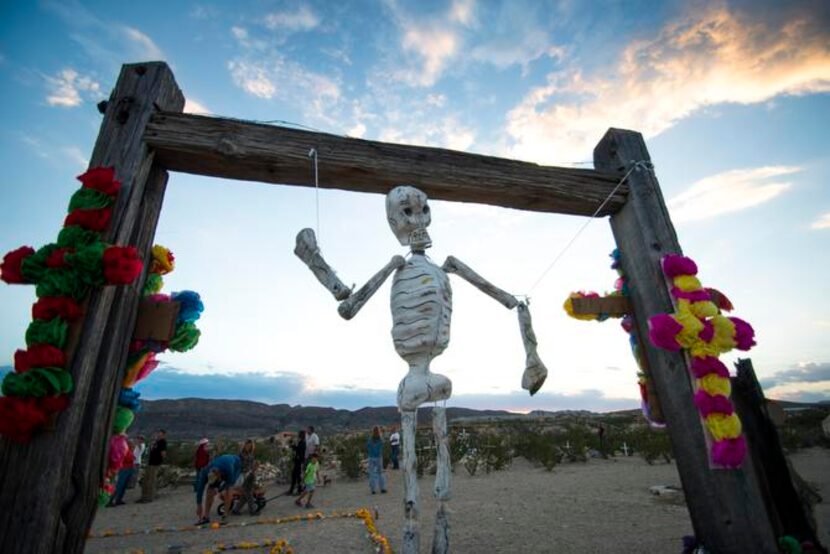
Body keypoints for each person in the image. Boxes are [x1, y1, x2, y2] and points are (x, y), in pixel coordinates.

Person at [195, 454, 243, 525]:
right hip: (220, 466)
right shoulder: (205, 471)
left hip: (236, 466)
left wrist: (226, 486)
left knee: (228, 490)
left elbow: (228, 490)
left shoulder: (229, 469)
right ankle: (206, 517)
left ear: (219, 477)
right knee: (210, 491)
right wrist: (199, 506)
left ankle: (225, 516)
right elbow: (200, 490)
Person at [139, 429, 167, 503]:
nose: (158, 435)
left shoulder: (162, 442)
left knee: (152, 480)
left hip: (155, 463)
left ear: (163, 435)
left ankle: (150, 496)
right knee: (146, 479)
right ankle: (144, 495)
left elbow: (163, 452)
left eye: (160, 434)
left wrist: (161, 460)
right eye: (158, 433)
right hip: (150, 462)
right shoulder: (155, 442)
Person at [108, 439, 136, 506]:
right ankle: (110, 501)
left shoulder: (130, 450)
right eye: (131, 443)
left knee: (123, 486)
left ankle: (118, 500)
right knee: (119, 485)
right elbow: (125, 458)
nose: (133, 444)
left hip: (129, 468)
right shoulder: (125, 450)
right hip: (124, 469)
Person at [237, 439, 258, 515]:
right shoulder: (241, 454)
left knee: (246, 494)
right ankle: (252, 510)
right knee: (248, 493)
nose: (249, 446)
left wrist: (254, 468)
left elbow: (251, 463)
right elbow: (240, 465)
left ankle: (236, 509)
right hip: (245, 474)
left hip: (251, 474)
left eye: (250, 445)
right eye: (247, 445)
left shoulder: (250, 453)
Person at [367, 425, 387, 494]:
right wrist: (382, 433)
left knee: (372, 473)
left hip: (371, 457)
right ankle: (382, 488)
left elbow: (368, 447)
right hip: (378, 457)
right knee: (380, 472)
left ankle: (373, 490)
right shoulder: (380, 439)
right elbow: (383, 443)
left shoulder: (370, 439)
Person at [288, 430, 306, 495]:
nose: (298, 435)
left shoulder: (302, 443)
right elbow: (297, 449)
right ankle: (295, 490)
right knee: (296, 476)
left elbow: (299, 451)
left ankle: (297, 490)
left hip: (298, 462)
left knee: (296, 476)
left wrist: (292, 445)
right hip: (298, 461)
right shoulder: (302, 442)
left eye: (299, 434)